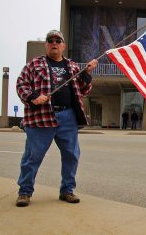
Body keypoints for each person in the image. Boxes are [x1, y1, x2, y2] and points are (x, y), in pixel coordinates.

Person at [15, 30, 98, 207]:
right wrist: (33, 97)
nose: (54, 43)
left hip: (68, 117)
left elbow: (84, 90)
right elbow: (21, 83)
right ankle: (24, 192)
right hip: (41, 117)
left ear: (63, 45)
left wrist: (87, 73)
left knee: (71, 155)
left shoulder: (73, 66)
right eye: (50, 40)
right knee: (32, 157)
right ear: (46, 45)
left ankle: (67, 190)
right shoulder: (34, 64)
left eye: (58, 40)